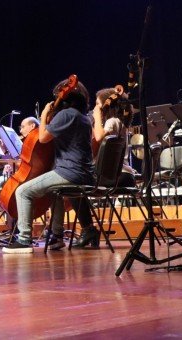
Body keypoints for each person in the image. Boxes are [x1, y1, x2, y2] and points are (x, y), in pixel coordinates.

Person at [2, 79, 94, 254]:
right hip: (84, 174)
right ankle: (57, 237)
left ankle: (24, 240)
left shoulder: (66, 114)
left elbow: (43, 137)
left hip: (69, 172)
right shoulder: (83, 117)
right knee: (54, 193)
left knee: (23, 191)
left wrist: (44, 115)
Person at [72, 87, 136, 248]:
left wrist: (95, 116)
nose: (95, 107)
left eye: (97, 104)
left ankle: (88, 229)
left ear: (105, 106)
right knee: (76, 185)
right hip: (122, 176)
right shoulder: (119, 123)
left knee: (72, 186)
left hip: (115, 176)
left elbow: (99, 137)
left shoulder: (112, 121)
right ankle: (89, 231)